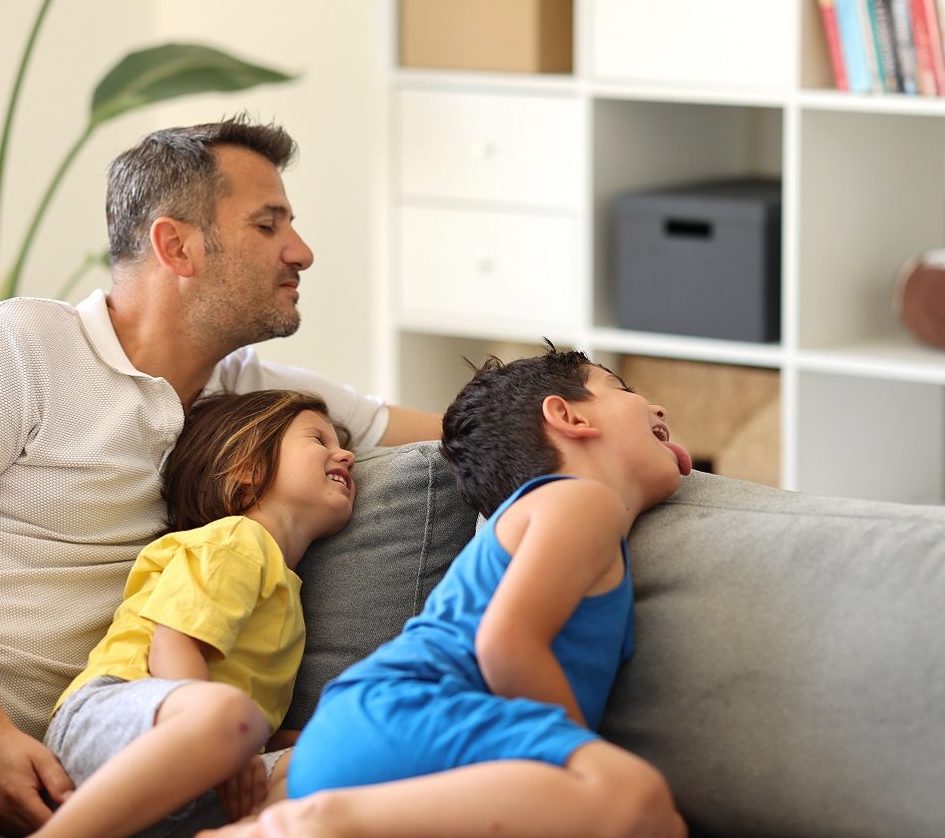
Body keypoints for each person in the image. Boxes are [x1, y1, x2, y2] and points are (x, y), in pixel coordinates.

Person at [0, 116, 441, 838]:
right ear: (175, 245)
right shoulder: (20, 344)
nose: (300, 252)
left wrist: (567, 408)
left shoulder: (255, 405)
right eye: (268, 225)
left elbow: (453, 431)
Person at [212, 346, 693, 838]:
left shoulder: (555, 520)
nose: (658, 408)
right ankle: (315, 823)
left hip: (360, 743)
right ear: (567, 415)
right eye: (625, 390)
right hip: (413, 710)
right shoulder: (581, 499)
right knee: (636, 799)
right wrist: (567, 759)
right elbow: (505, 642)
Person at [36, 389, 354, 838]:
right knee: (230, 715)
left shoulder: (287, 587)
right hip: (115, 716)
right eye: (319, 440)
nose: (346, 455)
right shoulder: (236, 540)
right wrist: (232, 740)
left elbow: (256, 725)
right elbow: (173, 644)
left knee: (334, 754)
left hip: (198, 767)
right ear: (247, 467)